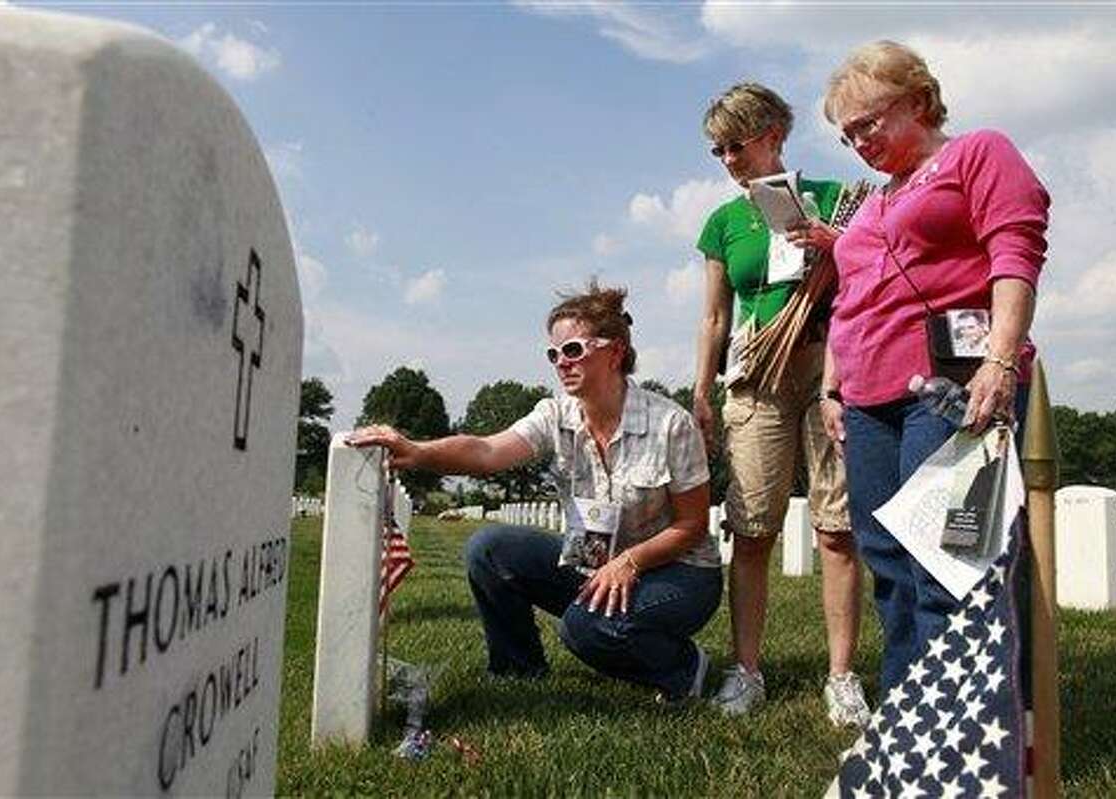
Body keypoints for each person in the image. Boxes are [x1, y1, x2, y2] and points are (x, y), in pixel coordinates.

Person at [348, 281, 723, 702]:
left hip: (678, 571)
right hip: (594, 561)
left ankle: (685, 670)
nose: (561, 363)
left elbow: (692, 526)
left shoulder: (671, 425)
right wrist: (417, 451)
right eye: (553, 354)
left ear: (615, 351)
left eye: (573, 350)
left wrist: (630, 563)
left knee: (585, 630)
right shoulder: (555, 414)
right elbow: (487, 450)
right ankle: (518, 671)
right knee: (489, 548)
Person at [820, 40, 1050, 691]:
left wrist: (1001, 358)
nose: (860, 141)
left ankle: (962, 729)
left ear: (917, 100)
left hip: (951, 388)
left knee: (947, 562)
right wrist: (830, 389)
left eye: (869, 122)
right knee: (888, 560)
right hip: (865, 402)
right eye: (847, 135)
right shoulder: (870, 203)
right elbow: (849, 298)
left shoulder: (978, 152)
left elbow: (1015, 248)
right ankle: (909, 705)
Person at [692, 82, 870, 725]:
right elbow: (715, 315)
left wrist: (834, 245)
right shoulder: (722, 221)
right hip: (754, 376)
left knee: (837, 529)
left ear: (772, 135)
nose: (728, 160)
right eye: (717, 151)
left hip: (828, 368)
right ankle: (746, 670)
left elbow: (869, 278)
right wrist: (703, 389)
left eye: (735, 145)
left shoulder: (834, 199)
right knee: (752, 529)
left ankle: (842, 675)